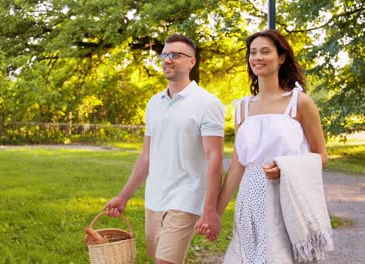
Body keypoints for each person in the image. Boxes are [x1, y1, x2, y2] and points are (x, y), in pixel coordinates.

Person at [103, 33, 225, 264]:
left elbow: (214, 158)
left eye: (176, 55)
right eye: (165, 55)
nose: (167, 60)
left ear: (192, 61)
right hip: (155, 197)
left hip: (186, 197)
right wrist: (123, 197)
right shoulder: (153, 103)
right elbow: (146, 157)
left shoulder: (207, 103)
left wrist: (210, 210)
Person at [214, 29, 328, 263]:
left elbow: (321, 155)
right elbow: (238, 165)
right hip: (250, 197)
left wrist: (285, 167)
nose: (258, 57)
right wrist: (214, 214)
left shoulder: (300, 102)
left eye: (265, 51)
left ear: (281, 57)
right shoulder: (243, 108)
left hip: (285, 195)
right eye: (253, 52)